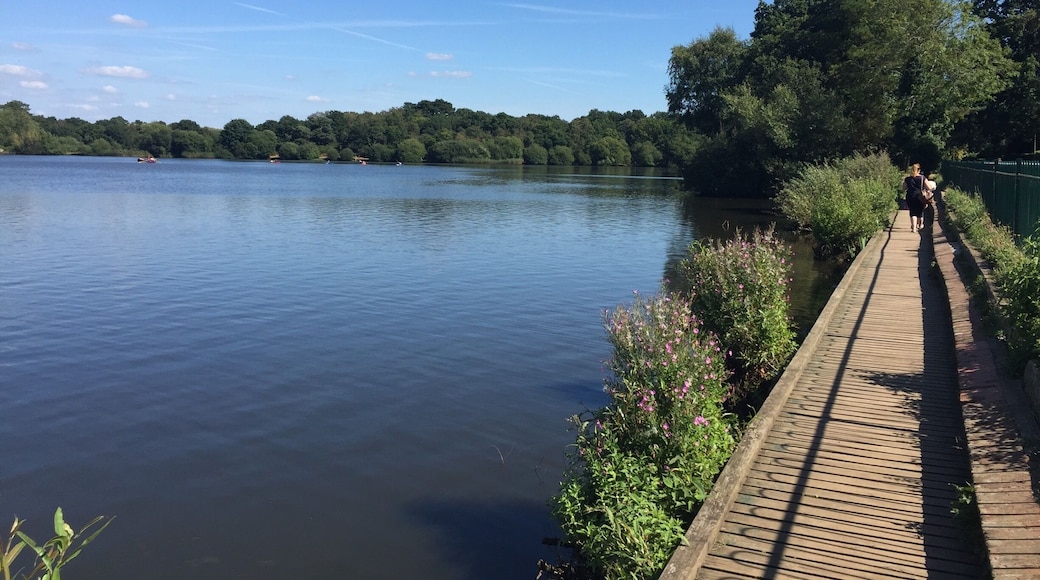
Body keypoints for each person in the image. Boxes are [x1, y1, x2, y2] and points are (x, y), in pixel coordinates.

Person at [902, 163, 927, 232]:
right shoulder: (922, 178)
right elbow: (929, 187)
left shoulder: (907, 179)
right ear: (919, 170)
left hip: (910, 196)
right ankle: (920, 225)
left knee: (913, 212)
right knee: (920, 212)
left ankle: (914, 228)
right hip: (920, 196)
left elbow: (904, 188)